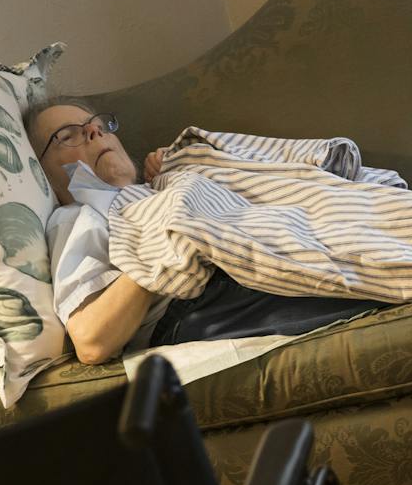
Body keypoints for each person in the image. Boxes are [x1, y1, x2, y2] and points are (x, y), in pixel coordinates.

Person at [26, 98, 382, 365]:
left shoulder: (161, 186)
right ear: (43, 174)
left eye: (97, 126)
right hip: (205, 304)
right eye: (67, 136)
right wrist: (163, 244)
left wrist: (186, 175)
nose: (94, 131)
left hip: (259, 246)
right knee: (377, 280)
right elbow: (92, 341)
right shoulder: (77, 218)